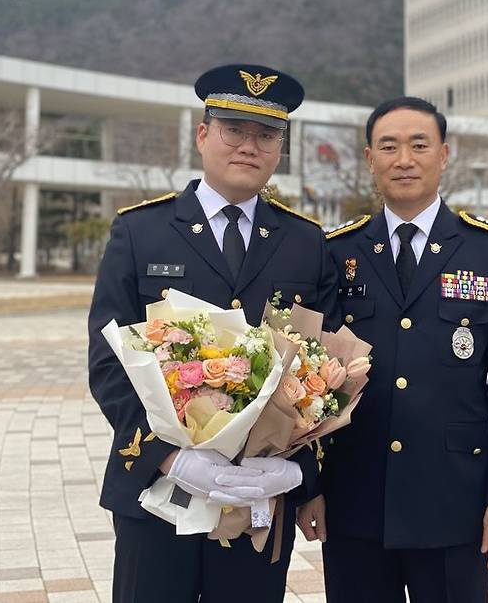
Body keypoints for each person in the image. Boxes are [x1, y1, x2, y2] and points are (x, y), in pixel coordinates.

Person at [88, 63, 338, 603]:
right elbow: (108, 362)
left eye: (267, 135)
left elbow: (323, 373)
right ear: (203, 135)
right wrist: (168, 455)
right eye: (234, 130)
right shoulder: (140, 231)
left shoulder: (306, 242)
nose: (250, 146)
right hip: (155, 489)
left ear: (279, 150)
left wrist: (296, 472)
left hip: (258, 493)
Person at [297, 96, 488, 603]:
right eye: (389, 146)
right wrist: (310, 485)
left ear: (443, 155)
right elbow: (310, 377)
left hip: (455, 502)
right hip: (356, 499)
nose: (404, 159)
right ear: (369, 159)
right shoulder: (338, 252)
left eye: (419, 145)